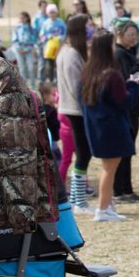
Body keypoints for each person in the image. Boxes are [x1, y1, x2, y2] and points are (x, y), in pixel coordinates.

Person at [80, 28, 139, 222]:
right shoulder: (111, 75)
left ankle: (108, 206)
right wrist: (132, 85)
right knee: (109, 169)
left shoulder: (87, 73)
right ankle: (103, 209)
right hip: (112, 128)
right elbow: (124, 102)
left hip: (96, 127)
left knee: (107, 168)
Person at [56, 14, 93, 215]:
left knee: (83, 153)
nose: (91, 31)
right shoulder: (70, 54)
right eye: (88, 27)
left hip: (75, 108)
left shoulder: (71, 51)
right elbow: (76, 86)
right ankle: (78, 200)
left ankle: (76, 197)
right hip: (75, 110)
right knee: (83, 153)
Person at [113, 19, 139, 201]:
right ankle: (120, 190)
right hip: (128, 108)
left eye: (135, 35)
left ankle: (126, 189)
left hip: (133, 107)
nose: (134, 38)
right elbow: (132, 76)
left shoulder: (126, 52)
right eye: (130, 35)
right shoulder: (119, 54)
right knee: (125, 150)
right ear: (119, 34)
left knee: (128, 149)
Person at [41, 4, 67, 82]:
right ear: (48, 13)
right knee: (49, 66)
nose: (52, 14)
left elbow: (65, 33)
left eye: (53, 12)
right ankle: (51, 81)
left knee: (59, 64)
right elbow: (42, 35)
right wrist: (48, 37)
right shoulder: (45, 23)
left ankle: (60, 81)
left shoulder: (61, 22)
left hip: (59, 48)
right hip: (49, 49)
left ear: (56, 12)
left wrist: (60, 38)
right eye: (50, 12)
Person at [11, 11, 37, 88]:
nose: (21, 19)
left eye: (23, 18)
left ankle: (32, 86)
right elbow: (14, 40)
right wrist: (19, 49)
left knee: (31, 67)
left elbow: (33, 40)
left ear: (27, 18)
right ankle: (24, 86)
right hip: (19, 50)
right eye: (20, 18)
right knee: (22, 68)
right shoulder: (17, 28)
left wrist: (27, 49)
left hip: (28, 50)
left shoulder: (31, 29)